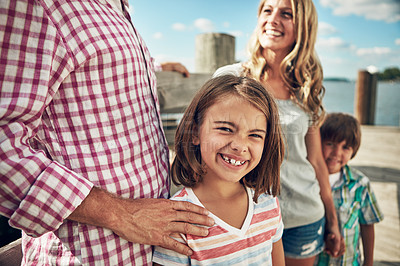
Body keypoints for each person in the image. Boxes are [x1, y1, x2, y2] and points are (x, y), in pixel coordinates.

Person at [0, 0, 214, 265]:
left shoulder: (120, 10)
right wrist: (121, 214)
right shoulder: (39, 6)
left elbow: (84, 75)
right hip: (89, 254)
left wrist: (149, 68)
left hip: (148, 252)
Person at [213, 0, 342, 264]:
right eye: (267, 10)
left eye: (286, 14)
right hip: (248, 216)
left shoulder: (307, 88)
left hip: (303, 217)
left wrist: (333, 219)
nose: (273, 20)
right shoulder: (232, 77)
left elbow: (316, 161)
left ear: (303, 26)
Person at [152, 75, 286, 265]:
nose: (240, 145)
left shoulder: (268, 203)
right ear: (195, 132)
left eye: (255, 135)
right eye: (225, 129)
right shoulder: (179, 219)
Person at [316, 113, 384, 265]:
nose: (336, 153)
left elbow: (367, 225)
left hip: (348, 262)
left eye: (345, 147)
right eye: (330, 144)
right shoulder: (309, 181)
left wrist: (369, 262)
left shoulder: (360, 184)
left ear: (353, 151)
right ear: (318, 142)